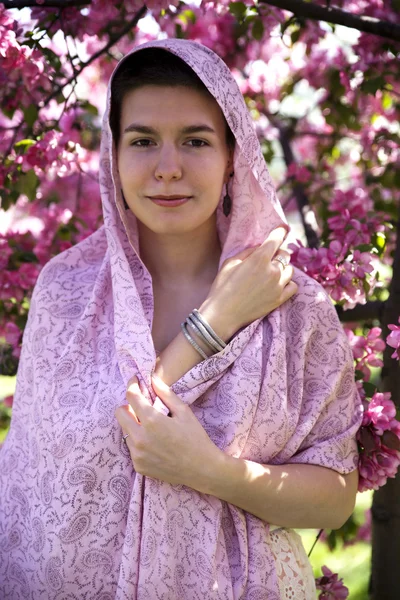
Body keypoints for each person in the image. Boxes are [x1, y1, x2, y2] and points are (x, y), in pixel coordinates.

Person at [0, 39, 362, 599]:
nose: (168, 169)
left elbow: (336, 497)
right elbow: (43, 484)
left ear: (231, 158)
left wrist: (212, 471)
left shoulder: (295, 307)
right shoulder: (65, 292)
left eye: (195, 141)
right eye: (143, 141)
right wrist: (217, 320)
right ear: (113, 158)